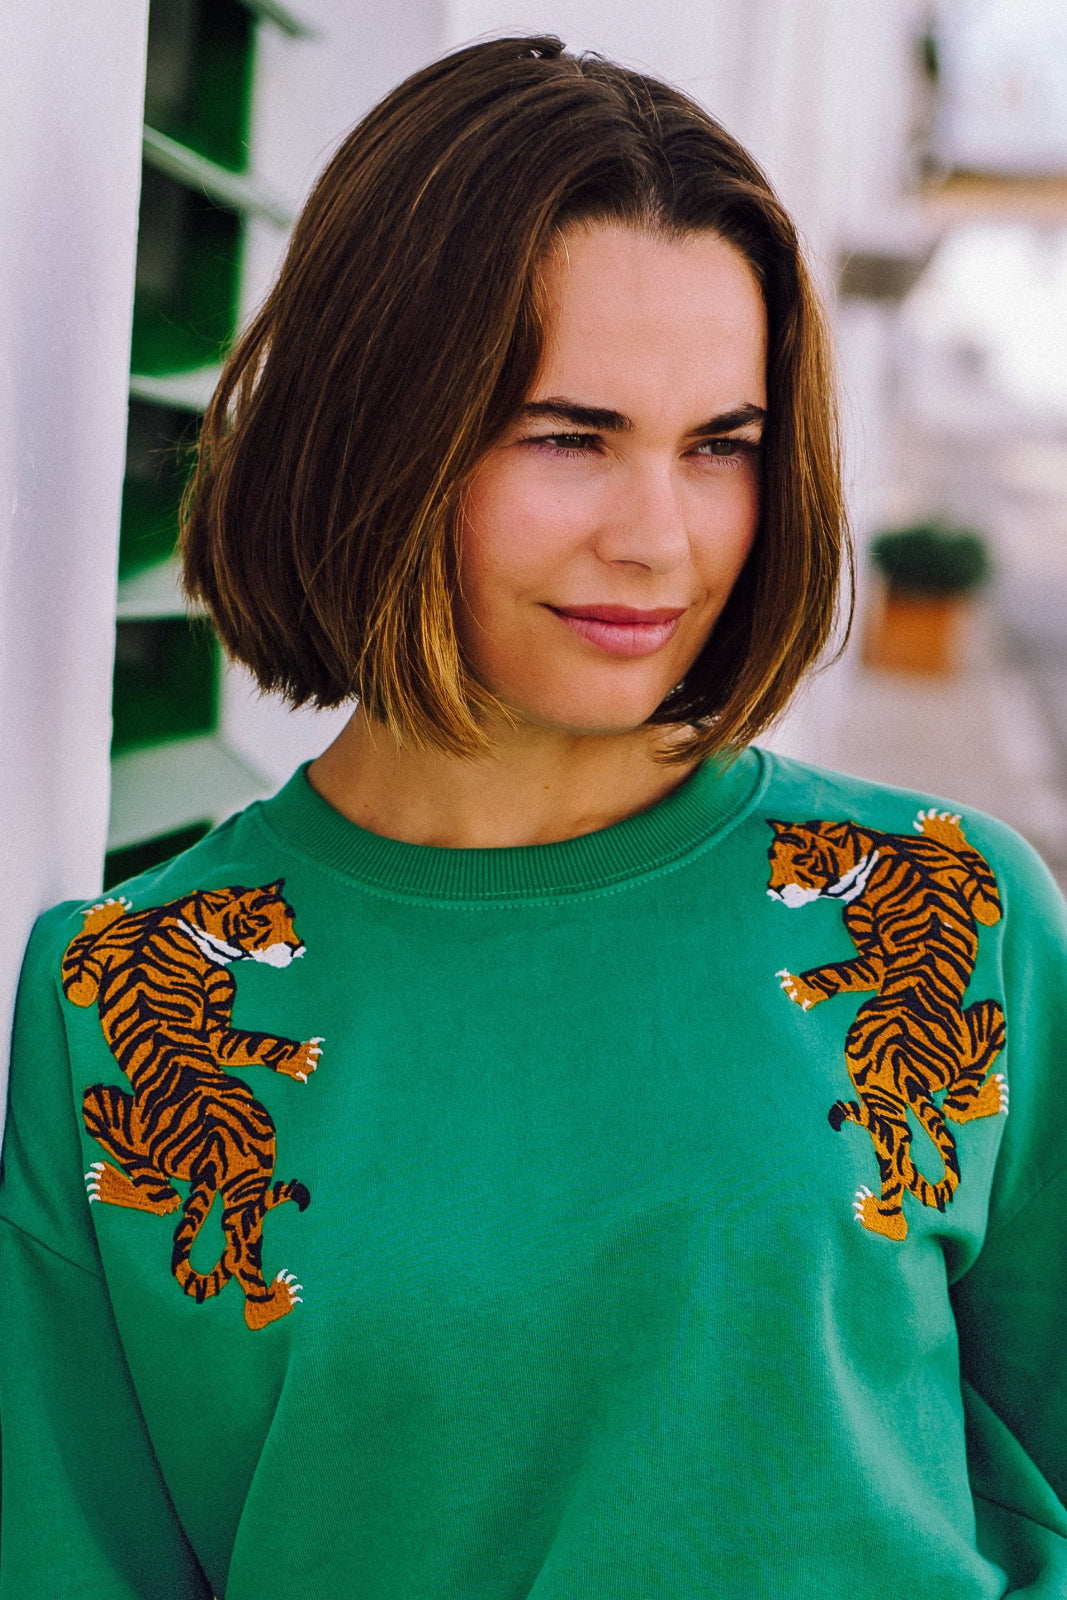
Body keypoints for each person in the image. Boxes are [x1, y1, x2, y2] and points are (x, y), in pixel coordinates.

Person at [2, 34, 1066, 1600]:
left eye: (725, 447)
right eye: (568, 436)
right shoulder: (128, 1008)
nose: (660, 538)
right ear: (378, 426)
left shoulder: (940, 913)